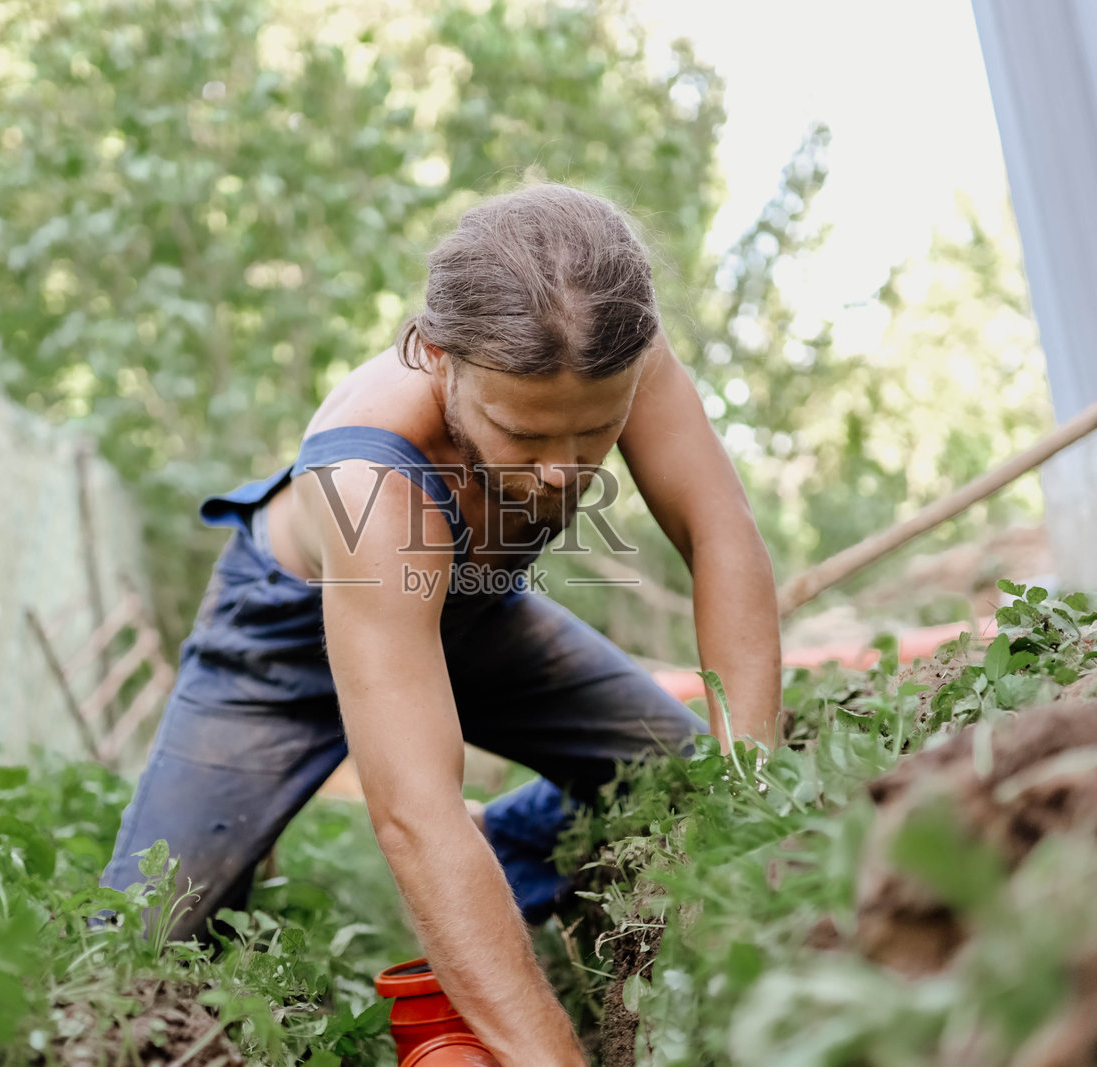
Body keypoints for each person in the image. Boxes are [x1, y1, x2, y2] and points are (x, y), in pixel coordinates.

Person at [99, 183, 782, 1065]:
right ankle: (418, 878)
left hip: (473, 612)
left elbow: (721, 533)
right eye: (522, 436)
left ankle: (496, 849)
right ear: (435, 355)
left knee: (690, 784)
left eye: (594, 436)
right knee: (138, 946)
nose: (560, 476)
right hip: (277, 646)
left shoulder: (615, 353)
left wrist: (753, 795)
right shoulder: (368, 477)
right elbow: (414, 810)